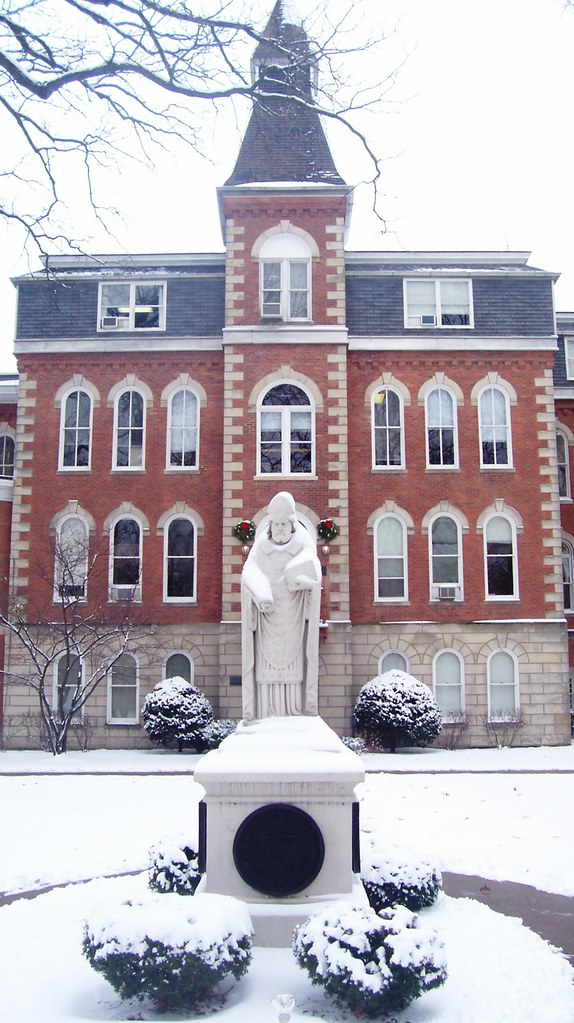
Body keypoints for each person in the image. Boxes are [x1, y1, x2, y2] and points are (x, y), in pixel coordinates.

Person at [241, 492, 322, 720]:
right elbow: (248, 572)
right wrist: (260, 594)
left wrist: (304, 581)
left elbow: (314, 572)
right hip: (267, 620)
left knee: (294, 670)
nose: (279, 529)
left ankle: (294, 712)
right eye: (276, 524)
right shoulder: (261, 546)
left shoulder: (303, 544)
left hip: (292, 620)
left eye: (283, 524)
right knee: (265, 671)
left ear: (292, 525)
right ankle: (265, 713)